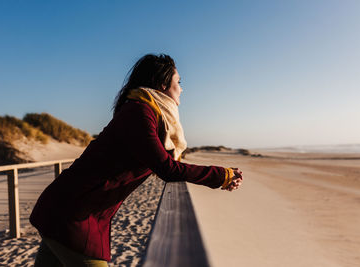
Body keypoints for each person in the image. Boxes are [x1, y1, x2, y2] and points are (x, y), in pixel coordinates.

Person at [30, 54, 243, 267]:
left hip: (68, 210)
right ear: (162, 85)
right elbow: (167, 168)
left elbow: (165, 160)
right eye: (179, 82)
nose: (182, 88)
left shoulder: (144, 112)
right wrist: (222, 176)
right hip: (74, 216)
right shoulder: (139, 113)